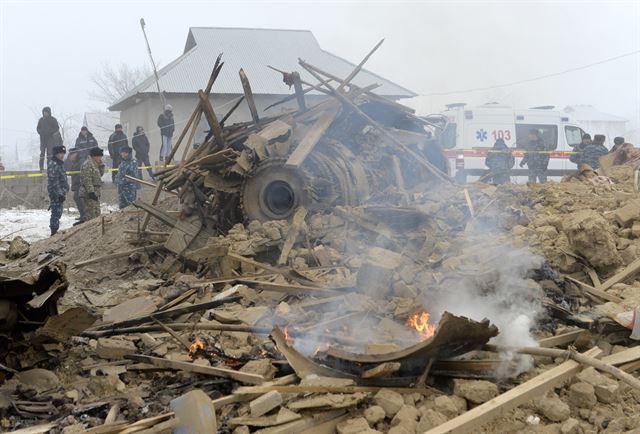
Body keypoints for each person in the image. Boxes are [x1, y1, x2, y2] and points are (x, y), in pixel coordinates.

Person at [47, 145, 69, 236]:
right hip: (56, 193)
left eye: (63, 153)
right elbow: (54, 181)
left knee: (58, 212)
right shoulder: (53, 164)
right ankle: (53, 232)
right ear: (56, 154)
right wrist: (59, 194)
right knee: (56, 212)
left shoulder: (60, 163)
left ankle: (55, 231)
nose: (62, 155)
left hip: (61, 192)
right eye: (60, 153)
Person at [80, 147, 105, 222]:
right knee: (91, 214)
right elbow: (87, 179)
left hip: (96, 192)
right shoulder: (88, 164)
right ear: (94, 156)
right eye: (99, 156)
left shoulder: (95, 164)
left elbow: (99, 175)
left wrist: (101, 166)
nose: (100, 158)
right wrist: (91, 192)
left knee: (97, 213)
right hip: (89, 193)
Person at [36, 106, 60, 172]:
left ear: (49, 112)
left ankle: (49, 167)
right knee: (42, 153)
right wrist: (40, 132)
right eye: (44, 112)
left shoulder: (53, 119)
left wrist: (50, 132)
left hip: (50, 139)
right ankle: (41, 167)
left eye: (46, 112)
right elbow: (38, 128)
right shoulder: (41, 120)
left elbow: (57, 128)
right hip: (43, 139)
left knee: (49, 154)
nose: (45, 113)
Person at [65, 148, 85, 223]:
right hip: (76, 183)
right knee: (77, 198)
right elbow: (68, 169)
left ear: (75, 154)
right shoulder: (75, 161)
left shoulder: (81, 161)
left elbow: (72, 170)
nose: (70, 157)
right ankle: (82, 214)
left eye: (71, 155)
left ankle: (84, 215)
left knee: (79, 198)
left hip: (80, 183)